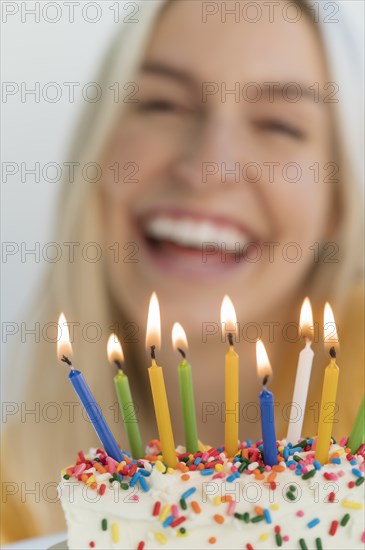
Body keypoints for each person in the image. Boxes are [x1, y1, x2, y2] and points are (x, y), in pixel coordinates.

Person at [2, 0, 363, 543]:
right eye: (163, 104)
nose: (207, 167)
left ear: (339, 202)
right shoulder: (19, 489)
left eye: (280, 124)